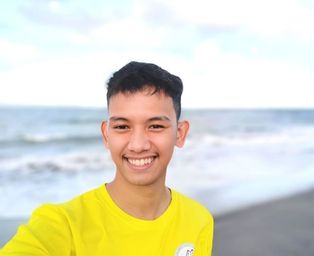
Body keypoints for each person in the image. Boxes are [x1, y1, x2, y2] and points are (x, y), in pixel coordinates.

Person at [0, 61, 214, 256]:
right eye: (122, 127)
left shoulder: (198, 220)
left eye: (156, 126)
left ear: (180, 133)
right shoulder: (63, 224)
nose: (138, 145)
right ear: (106, 134)